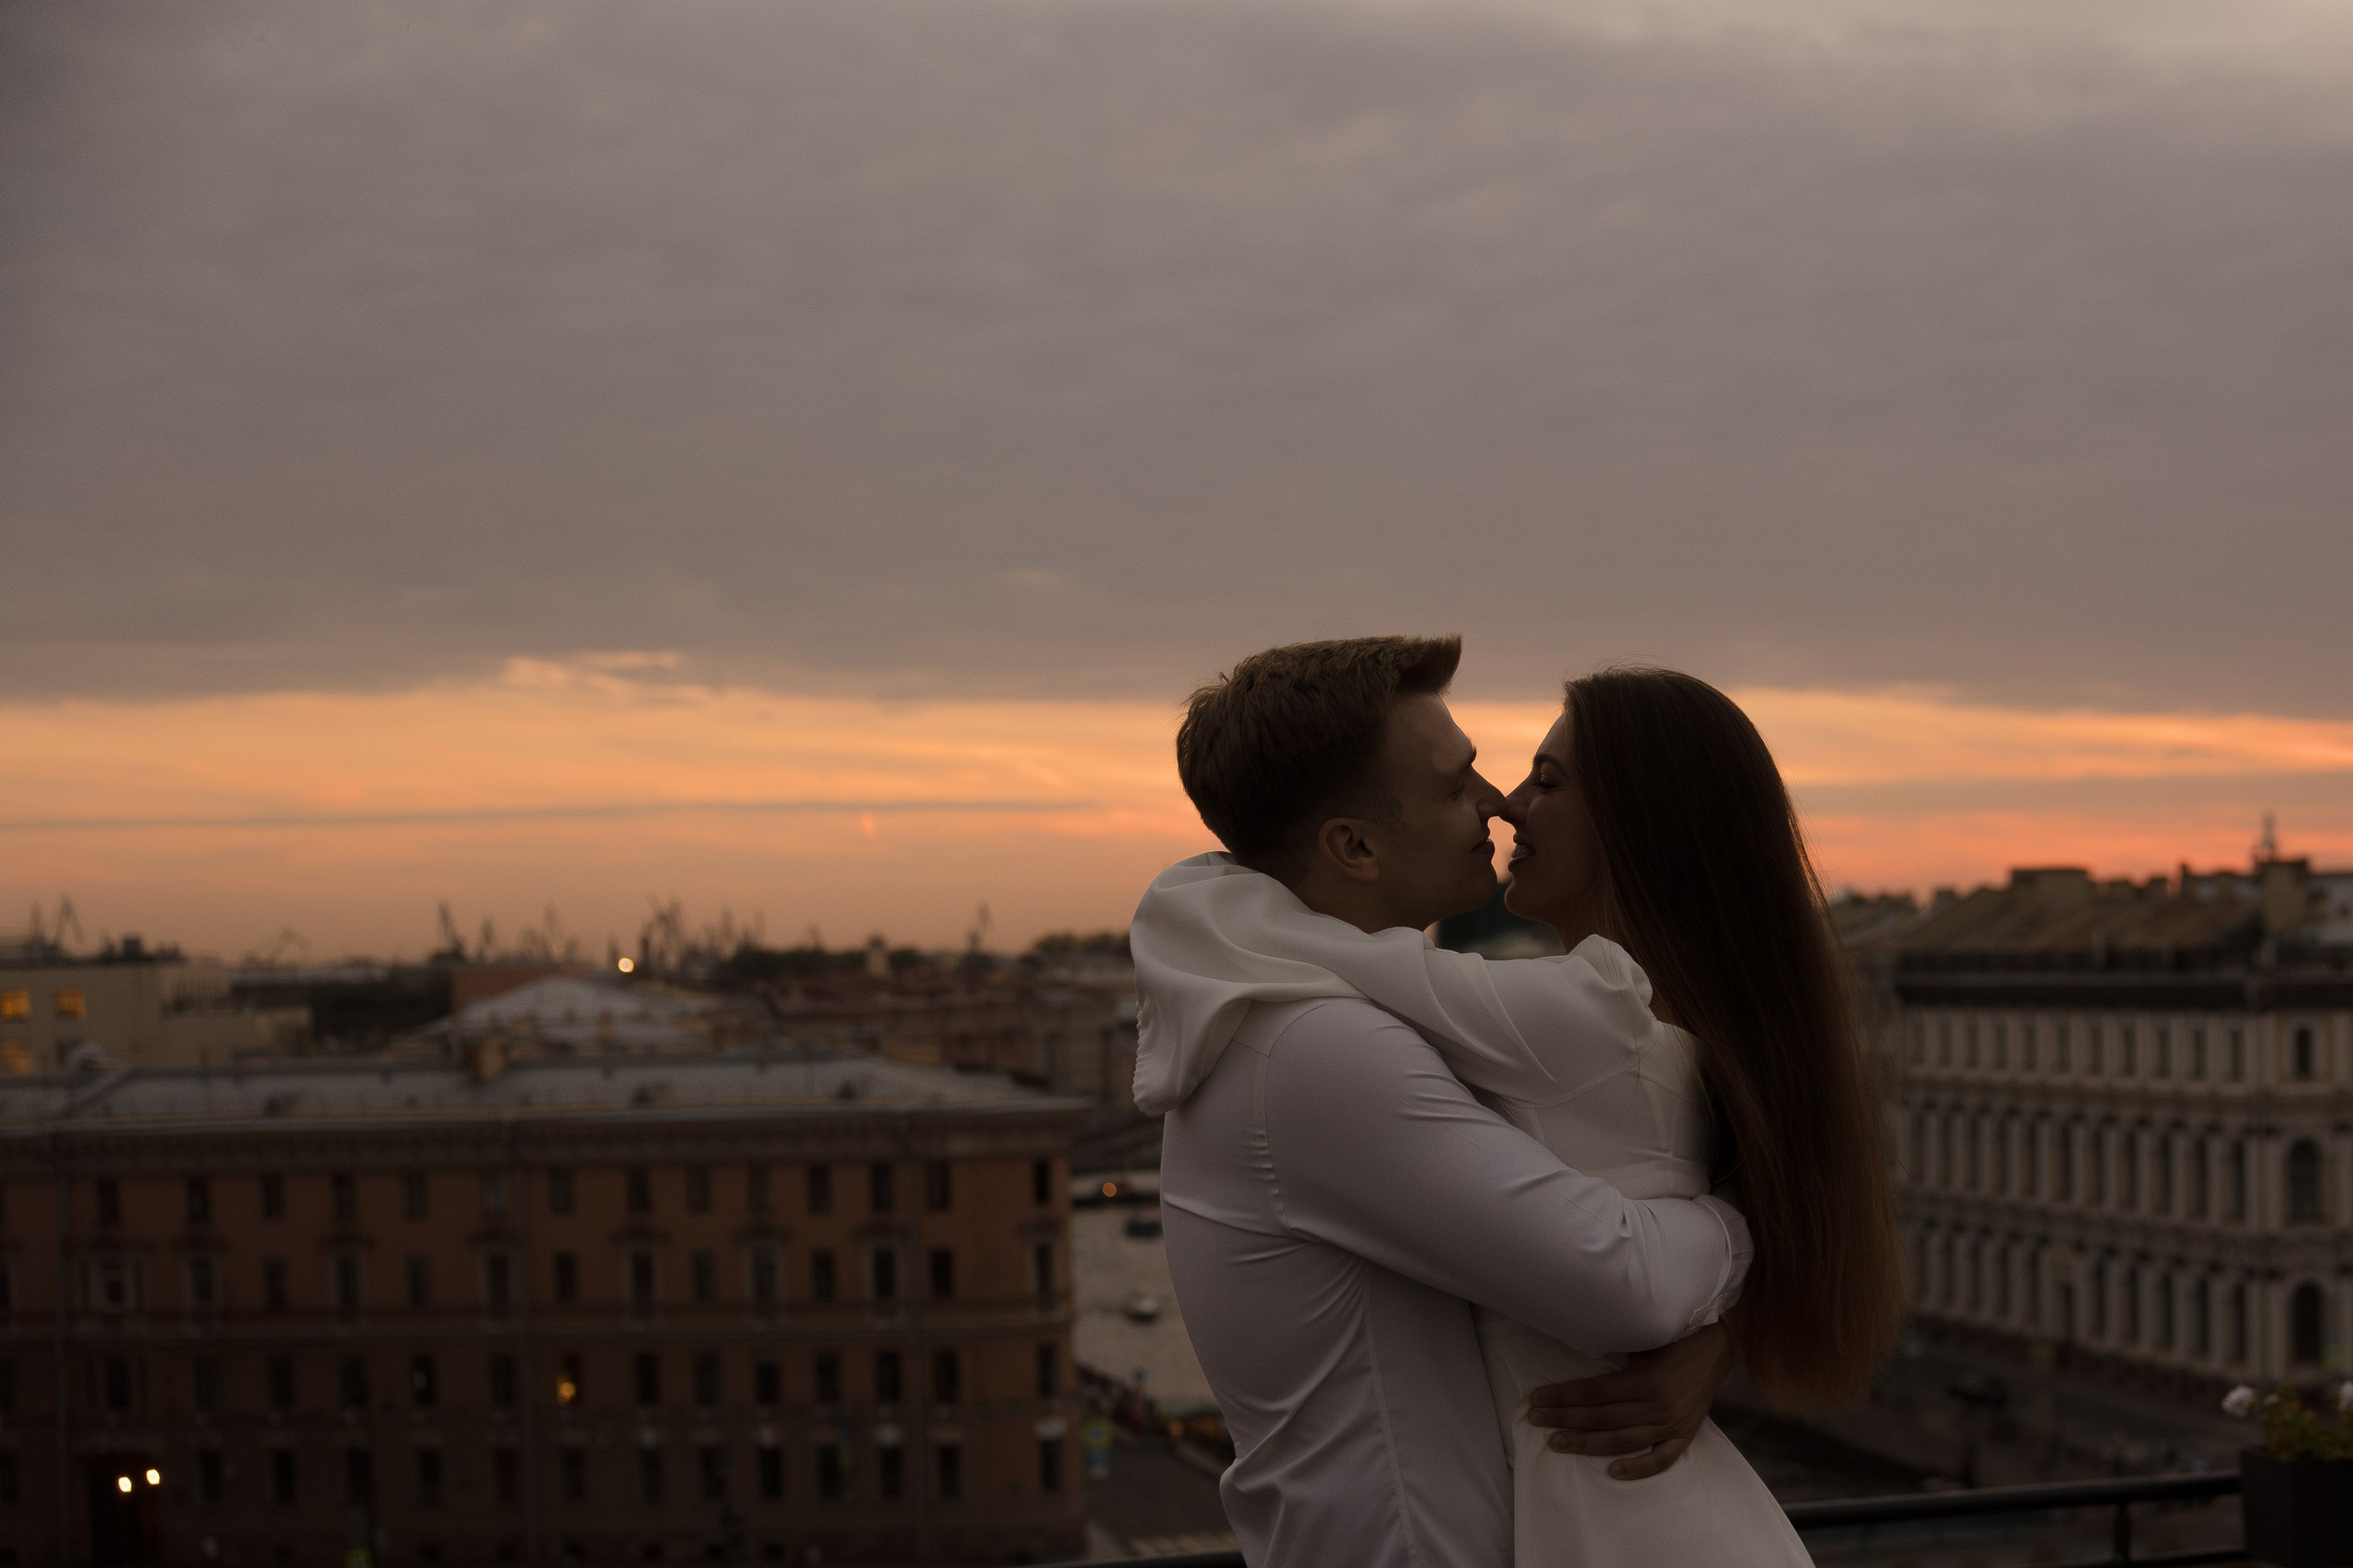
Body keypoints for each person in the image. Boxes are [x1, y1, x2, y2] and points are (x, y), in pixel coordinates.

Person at [1134, 637, 1762, 1568]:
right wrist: (1747, 1232)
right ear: (1354, 845)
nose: (1496, 800)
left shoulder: (1296, 1016)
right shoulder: (1317, 1051)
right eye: (1453, 783)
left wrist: (1723, 1330)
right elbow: (1623, 1284)